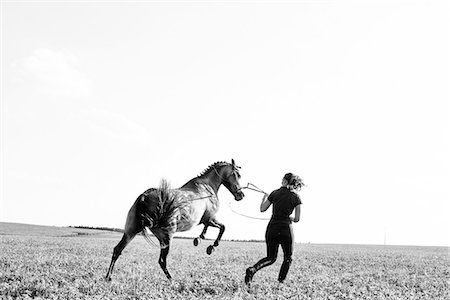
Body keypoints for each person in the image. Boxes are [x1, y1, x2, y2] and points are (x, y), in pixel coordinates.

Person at [244, 172, 304, 286]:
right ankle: (280, 283)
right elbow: (297, 219)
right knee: (288, 258)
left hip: (272, 228)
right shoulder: (296, 197)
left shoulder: (274, 193)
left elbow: (262, 209)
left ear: (285, 181)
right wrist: (289, 218)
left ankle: (252, 269)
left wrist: (264, 198)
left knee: (271, 257)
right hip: (286, 229)